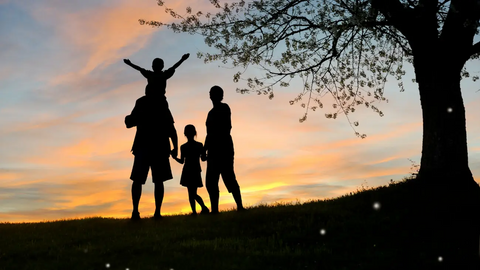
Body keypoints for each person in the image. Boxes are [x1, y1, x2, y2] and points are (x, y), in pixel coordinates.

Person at [125, 87, 178, 220]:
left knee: (143, 180)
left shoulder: (149, 103)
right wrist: (175, 146)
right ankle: (150, 212)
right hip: (154, 146)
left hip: (149, 146)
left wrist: (175, 146)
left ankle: (141, 212)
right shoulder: (158, 103)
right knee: (153, 180)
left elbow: (130, 122)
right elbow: (171, 128)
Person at [204, 85, 246, 214]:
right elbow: (209, 133)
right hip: (213, 150)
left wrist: (208, 146)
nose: (213, 95)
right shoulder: (210, 113)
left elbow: (225, 128)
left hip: (224, 147)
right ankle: (215, 210)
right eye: (211, 93)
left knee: (228, 177)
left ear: (220, 96)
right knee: (211, 181)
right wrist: (205, 149)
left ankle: (239, 206)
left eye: (215, 93)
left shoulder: (224, 108)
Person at [172, 124, 210, 215]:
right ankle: (198, 210)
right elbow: (203, 159)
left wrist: (174, 158)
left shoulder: (184, 147)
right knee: (193, 193)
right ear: (194, 133)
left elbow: (181, 161)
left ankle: (200, 209)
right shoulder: (199, 145)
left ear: (185, 134)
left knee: (191, 193)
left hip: (189, 170)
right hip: (195, 169)